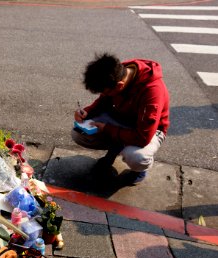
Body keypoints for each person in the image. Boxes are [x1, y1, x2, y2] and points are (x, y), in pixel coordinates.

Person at [72, 53, 170, 185]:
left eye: (105, 92)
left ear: (119, 85)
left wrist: (107, 129)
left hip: (148, 131)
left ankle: (139, 171)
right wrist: (86, 112)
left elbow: (143, 137)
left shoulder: (152, 91)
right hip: (121, 119)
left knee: (137, 157)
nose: (103, 94)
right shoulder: (119, 72)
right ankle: (114, 150)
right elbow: (103, 101)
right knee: (79, 133)